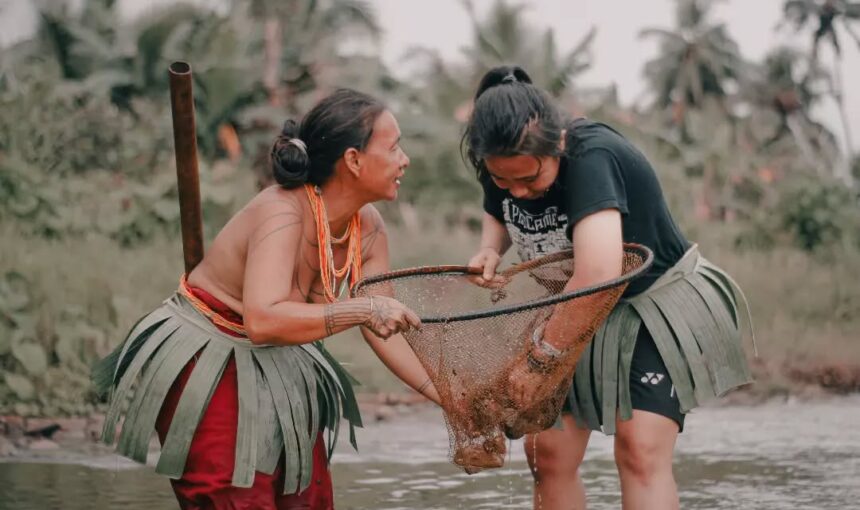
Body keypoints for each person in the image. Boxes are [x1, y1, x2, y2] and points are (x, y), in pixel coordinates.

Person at [93, 88, 440, 510]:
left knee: (306, 497)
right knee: (236, 497)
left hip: (283, 360)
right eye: (394, 146)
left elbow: (384, 331)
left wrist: (444, 396)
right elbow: (263, 321)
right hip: (211, 353)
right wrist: (363, 309)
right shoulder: (283, 211)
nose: (404, 158)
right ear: (353, 160)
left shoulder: (369, 228)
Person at [463, 66, 753, 510]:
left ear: (557, 143)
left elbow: (598, 275)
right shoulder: (500, 154)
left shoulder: (593, 156)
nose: (518, 191)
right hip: (571, 306)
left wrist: (539, 363)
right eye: (505, 179)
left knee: (639, 451)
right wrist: (490, 249)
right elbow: (499, 208)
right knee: (547, 455)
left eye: (530, 178)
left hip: (647, 306)